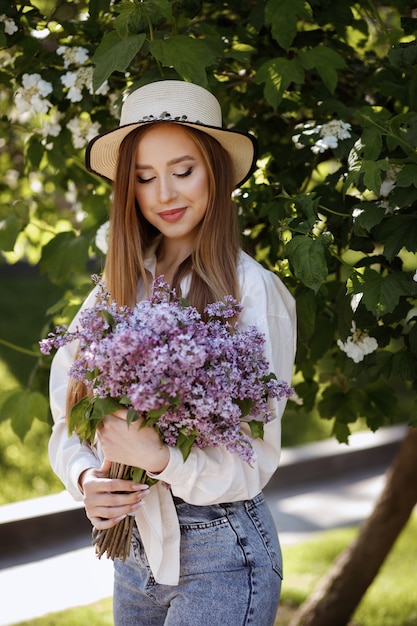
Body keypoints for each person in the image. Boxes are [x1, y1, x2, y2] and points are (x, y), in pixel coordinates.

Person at [48, 80, 296, 626]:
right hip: (134, 554)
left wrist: (160, 458)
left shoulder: (253, 293)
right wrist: (89, 480)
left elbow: (254, 457)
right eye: (144, 178)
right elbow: (68, 416)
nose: (164, 194)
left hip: (223, 552)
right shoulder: (115, 287)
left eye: (183, 171)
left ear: (216, 171)